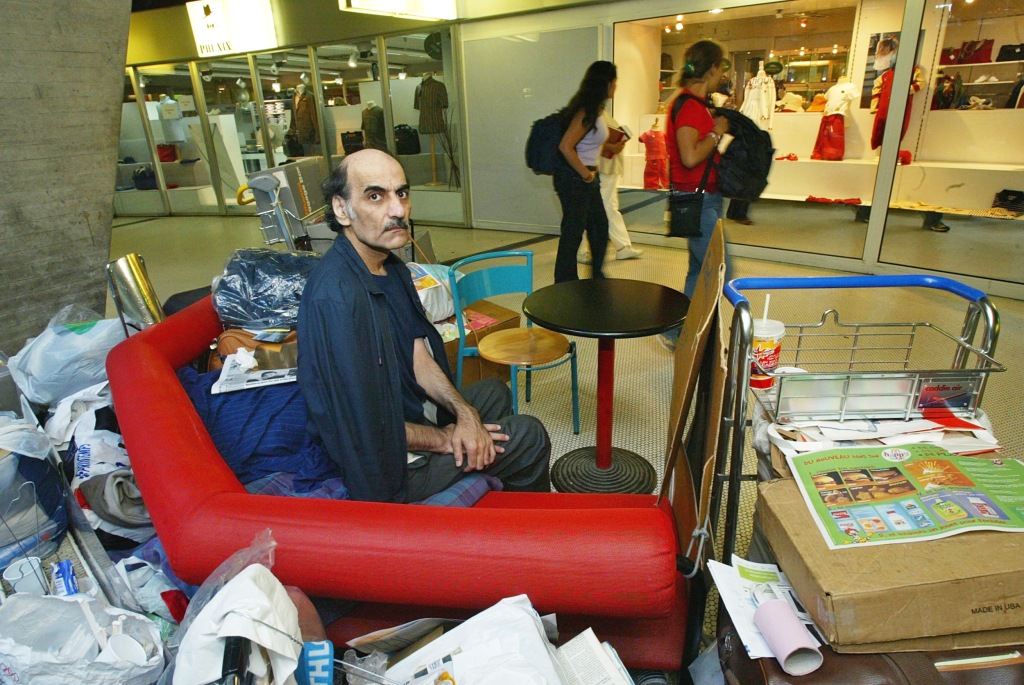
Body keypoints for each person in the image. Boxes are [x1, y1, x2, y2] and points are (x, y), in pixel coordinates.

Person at [298, 149, 551, 503]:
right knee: (528, 434)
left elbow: (418, 355)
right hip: (387, 466)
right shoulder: (337, 298)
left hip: (405, 414)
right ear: (342, 210)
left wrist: (465, 415)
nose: (398, 210)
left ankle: (495, 494)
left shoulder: (391, 267)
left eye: (401, 193)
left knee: (493, 391)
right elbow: (367, 427)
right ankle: (532, 534)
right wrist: (447, 438)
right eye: (376, 196)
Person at [659, 40, 732, 352]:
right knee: (720, 271)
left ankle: (680, 335)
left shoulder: (693, 103)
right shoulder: (689, 105)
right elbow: (690, 156)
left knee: (698, 270)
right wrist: (717, 132)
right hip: (697, 199)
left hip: (699, 197)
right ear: (713, 69)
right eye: (721, 68)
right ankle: (703, 339)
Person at [553, 60, 625, 282]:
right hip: (576, 179)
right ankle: (564, 285)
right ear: (607, 83)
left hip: (586, 179)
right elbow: (566, 146)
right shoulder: (587, 111)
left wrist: (610, 147)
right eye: (615, 81)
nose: (616, 85)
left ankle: (596, 276)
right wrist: (586, 174)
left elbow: (588, 142)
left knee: (599, 228)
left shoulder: (597, 110)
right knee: (573, 234)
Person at [577, 109, 643, 264]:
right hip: (601, 167)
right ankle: (582, 249)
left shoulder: (601, 111)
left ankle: (622, 246)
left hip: (609, 167)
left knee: (609, 207)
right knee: (598, 208)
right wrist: (609, 147)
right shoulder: (590, 112)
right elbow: (587, 139)